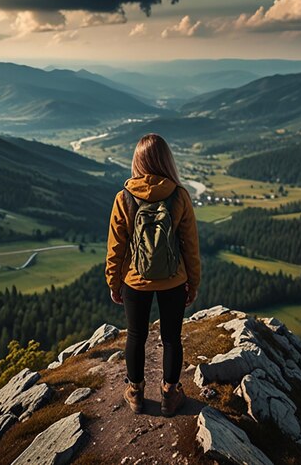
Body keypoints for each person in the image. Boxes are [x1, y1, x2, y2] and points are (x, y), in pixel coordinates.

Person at [105, 133, 201, 416]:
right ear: (166, 160)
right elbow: (190, 246)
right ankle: (170, 395)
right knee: (171, 338)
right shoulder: (179, 195)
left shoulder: (124, 197)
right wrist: (192, 283)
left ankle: (135, 393)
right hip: (174, 279)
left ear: (137, 161)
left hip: (135, 280)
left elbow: (116, 247)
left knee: (136, 336)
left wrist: (114, 282)